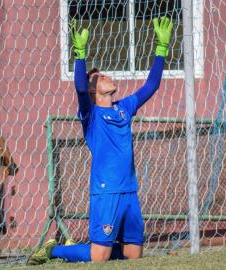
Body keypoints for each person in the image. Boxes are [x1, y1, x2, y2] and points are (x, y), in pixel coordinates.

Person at [27, 16, 173, 265]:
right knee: (99, 258)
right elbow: (81, 89)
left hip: (130, 192)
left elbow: (152, 85)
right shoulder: (91, 115)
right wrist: (80, 54)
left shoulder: (124, 107)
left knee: (133, 257)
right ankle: (55, 251)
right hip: (106, 194)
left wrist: (161, 49)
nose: (107, 76)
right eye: (101, 76)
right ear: (94, 89)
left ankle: (85, 248)